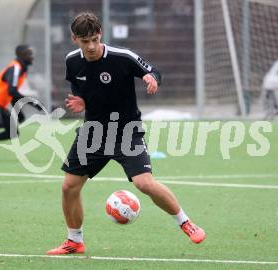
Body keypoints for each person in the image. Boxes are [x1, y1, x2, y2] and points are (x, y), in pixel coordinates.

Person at [46, 12, 205, 255]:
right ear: (74, 38)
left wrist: (152, 79)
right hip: (94, 132)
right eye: (84, 40)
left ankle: (185, 222)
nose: (90, 46)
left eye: (94, 40)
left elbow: (153, 71)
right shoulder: (72, 61)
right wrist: (82, 102)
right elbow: (81, 88)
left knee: (144, 183)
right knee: (69, 186)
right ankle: (74, 241)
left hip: (126, 131)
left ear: (100, 35)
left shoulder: (123, 57)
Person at [0, 44, 41, 162]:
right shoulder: (15, 68)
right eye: (29, 54)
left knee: (13, 132)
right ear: (21, 55)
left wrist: (19, 111)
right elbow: (12, 91)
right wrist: (32, 103)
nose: (32, 57)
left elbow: (12, 93)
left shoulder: (22, 70)